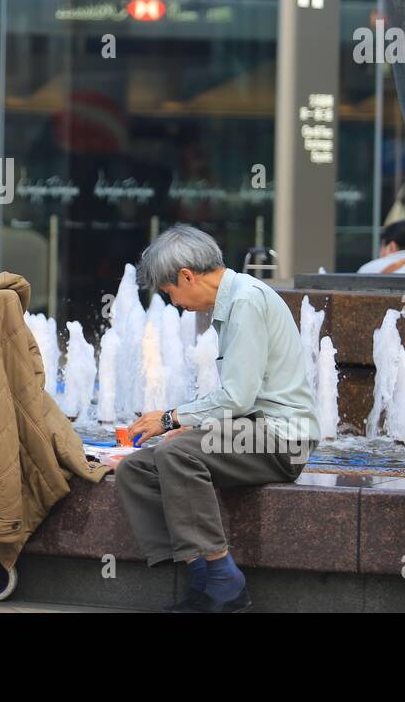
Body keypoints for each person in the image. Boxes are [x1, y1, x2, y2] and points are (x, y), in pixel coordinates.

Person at [114, 224, 318, 613]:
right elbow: (238, 402)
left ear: (187, 276)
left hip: (281, 439)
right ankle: (201, 578)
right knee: (137, 469)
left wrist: (174, 420)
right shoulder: (231, 303)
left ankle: (224, 580)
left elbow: (237, 398)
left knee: (176, 454)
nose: (173, 303)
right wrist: (194, 427)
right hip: (250, 432)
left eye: (170, 292)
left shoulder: (245, 302)